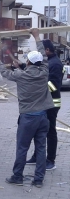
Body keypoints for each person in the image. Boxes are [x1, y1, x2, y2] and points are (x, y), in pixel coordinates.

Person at [0, 28, 53, 188]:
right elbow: (41, 57)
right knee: (41, 148)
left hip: (28, 118)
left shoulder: (20, 76)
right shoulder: (44, 72)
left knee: (22, 148)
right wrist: (36, 36)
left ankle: (17, 176)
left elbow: (4, 73)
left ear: (28, 62)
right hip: (43, 117)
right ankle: (39, 179)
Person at [26, 39, 63, 170]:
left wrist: (38, 87)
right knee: (39, 130)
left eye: (42, 51)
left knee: (50, 132)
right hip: (44, 102)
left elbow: (54, 85)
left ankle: (50, 160)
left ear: (47, 50)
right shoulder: (49, 62)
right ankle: (37, 156)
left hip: (52, 104)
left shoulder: (56, 64)